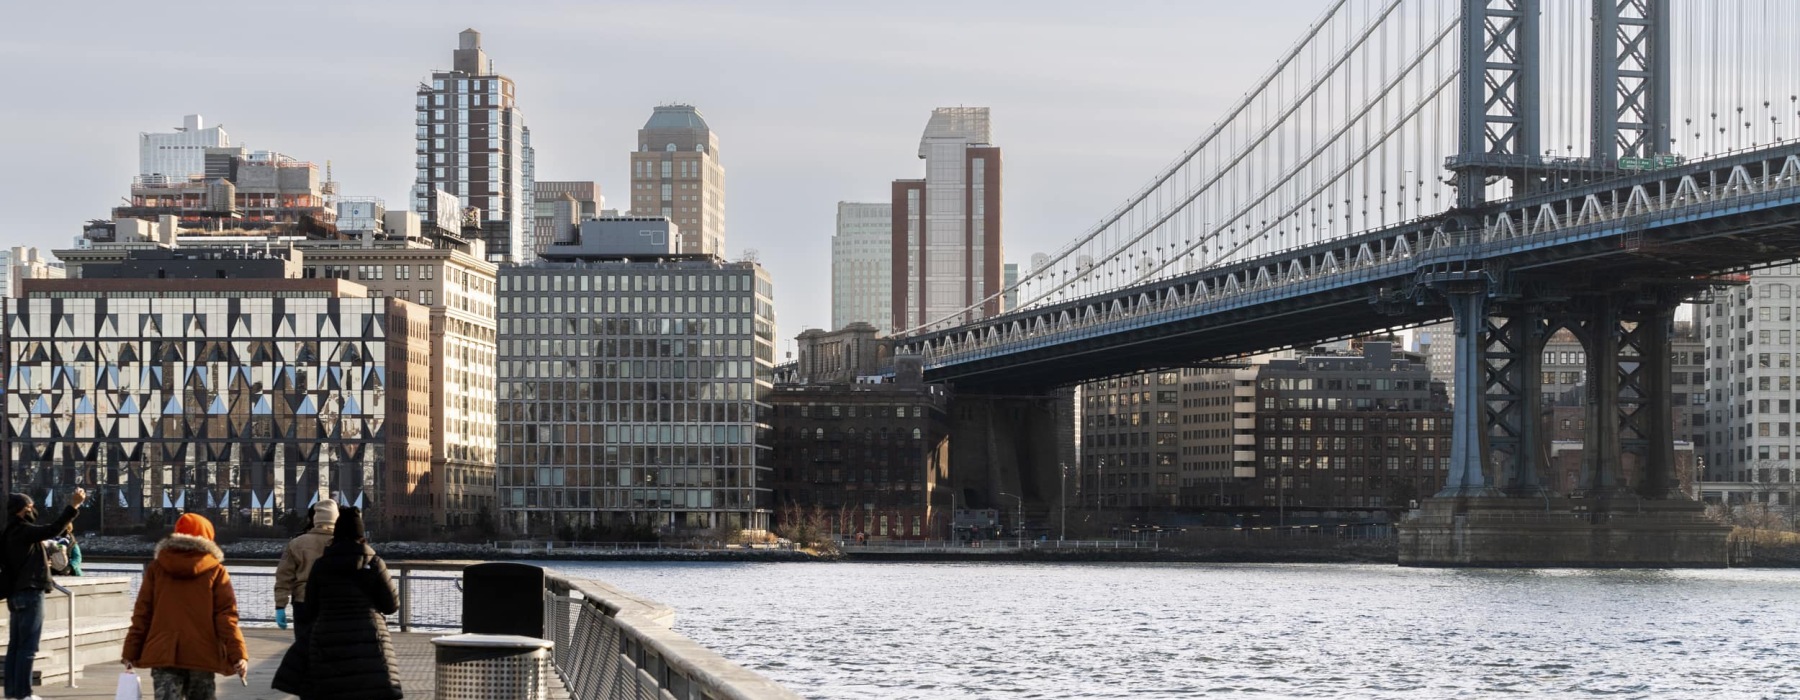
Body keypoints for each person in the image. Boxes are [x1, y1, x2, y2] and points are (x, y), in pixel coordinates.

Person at [272, 507, 402, 700]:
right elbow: (391, 605)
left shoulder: (321, 565)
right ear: (361, 534)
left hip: (327, 637)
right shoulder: (374, 562)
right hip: (369, 640)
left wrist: (282, 606)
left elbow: (310, 607)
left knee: (331, 689)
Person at [121, 513, 249, 700]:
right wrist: (239, 655)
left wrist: (130, 651)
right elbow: (226, 617)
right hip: (202, 654)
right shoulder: (215, 571)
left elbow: (143, 614)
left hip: (164, 652)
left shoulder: (157, 568)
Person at [2, 489, 85, 700]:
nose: (33, 511)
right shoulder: (24, 531)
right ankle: (24, 693)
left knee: (15, 646)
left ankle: (12, 692)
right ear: (22, 511)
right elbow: (54, 528)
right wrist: (74, 505)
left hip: (15, 595)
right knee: (28, 646)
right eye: (30, 507)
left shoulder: (8, 534)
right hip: (31, 593)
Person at [273, 499, 337, 640]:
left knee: (304, 647)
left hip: (303, 601)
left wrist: (280, 606)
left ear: (315, 519)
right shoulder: (343, 543)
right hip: (334, 602)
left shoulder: (297, 543)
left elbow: (284, 576)